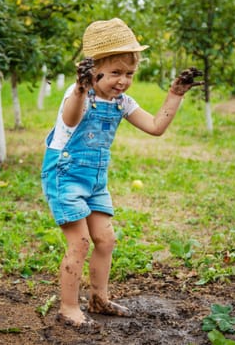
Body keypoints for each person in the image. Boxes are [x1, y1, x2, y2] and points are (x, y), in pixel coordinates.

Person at [40, 18, 203, 332]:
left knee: (106, 239)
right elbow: (71, 120)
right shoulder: (78, 96)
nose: (123, 81)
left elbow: (156, 127)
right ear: (93, 70)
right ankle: (68, 307)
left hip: (95, 179)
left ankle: (99, 298)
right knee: (80, 242)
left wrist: (176, 94)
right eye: (115, 73)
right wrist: (79, 87)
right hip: (65, 174)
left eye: (129, 74)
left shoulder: (122, 103)